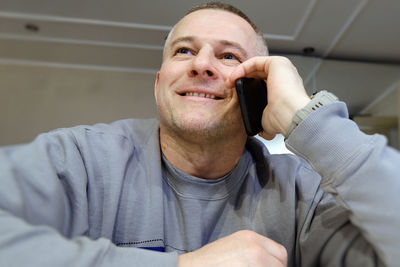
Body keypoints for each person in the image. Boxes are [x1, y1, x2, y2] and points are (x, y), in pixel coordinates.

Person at [0, 2, 399, 266]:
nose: (201, 65)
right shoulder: (78, 159)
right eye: (184, 52)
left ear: (257, 91)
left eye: (228, 56)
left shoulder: (300, 196)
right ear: (160, 84)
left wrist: (308, 120)